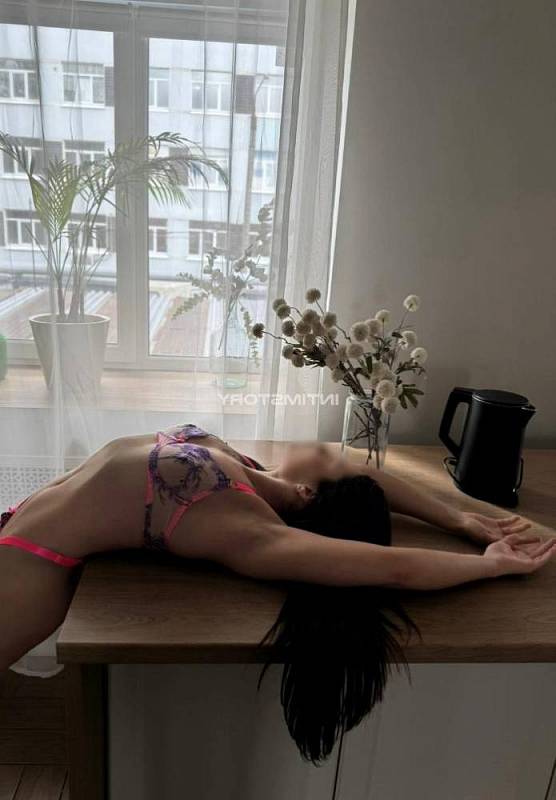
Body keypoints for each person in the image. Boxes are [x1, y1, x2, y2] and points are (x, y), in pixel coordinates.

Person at [0, 423, 554, 762]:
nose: (324, 462)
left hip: (32, 558)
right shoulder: (250, 475)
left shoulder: (242, 520)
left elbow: (393, 568)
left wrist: (484, 563)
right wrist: (460, 520)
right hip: (22, 530)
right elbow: (359, 475)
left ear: (312, 503)